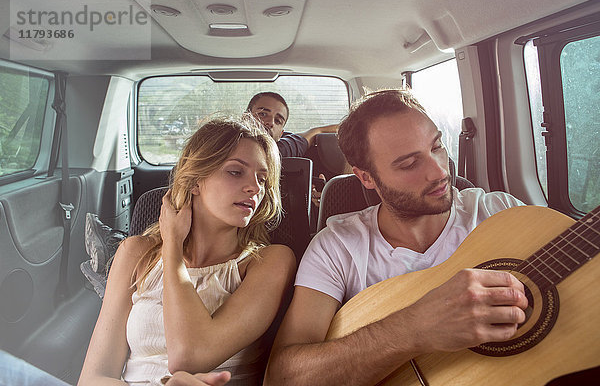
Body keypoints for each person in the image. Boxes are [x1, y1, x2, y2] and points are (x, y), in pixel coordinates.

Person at [263, 89, 528, 385]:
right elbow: (282, 378)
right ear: (367, 177)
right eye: (409, 164)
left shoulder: (500, 211)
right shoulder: (336, 247)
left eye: (437, 146)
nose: (440, 171)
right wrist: (414, 329)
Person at [78, 117, 296, 386]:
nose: (255, 187)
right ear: (195, 181)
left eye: (262, 178)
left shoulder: (270, 261)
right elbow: (93, 377)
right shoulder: (135, 253)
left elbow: (188, 356)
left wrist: (172, 250)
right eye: (236, 172)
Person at [246, 92, 338, 158]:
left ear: (280, 134)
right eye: (263, 114)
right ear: (245, 118)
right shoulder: (231, 143)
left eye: (278, 121)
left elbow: (312, 133)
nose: (270, 123)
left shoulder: (282, 150)